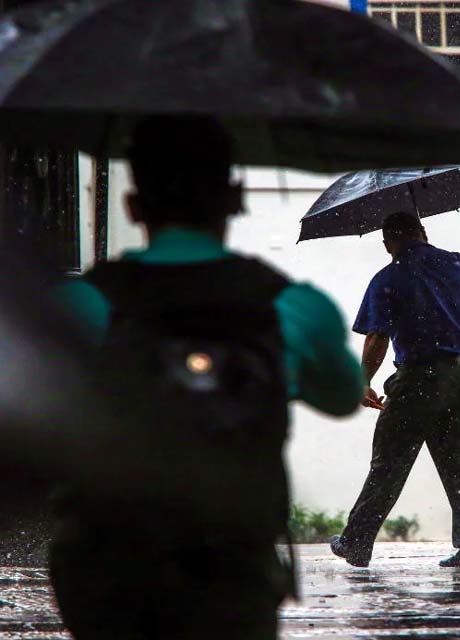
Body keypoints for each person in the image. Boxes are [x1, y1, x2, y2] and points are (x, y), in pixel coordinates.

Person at [50, 116, 364, 639]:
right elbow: (342, 397)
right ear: (234, 197)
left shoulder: (75, 307)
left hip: (107, 568)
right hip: (234, 568)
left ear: (133, 205)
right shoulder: (293, 306)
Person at [330, 211, 460, 568]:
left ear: (387, 244)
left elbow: (377, 336)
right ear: (423, 232)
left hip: (417, 381)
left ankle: (356, 542)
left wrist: (363, 382)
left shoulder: (389, 278)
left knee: (389, 464)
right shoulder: (459, 263)